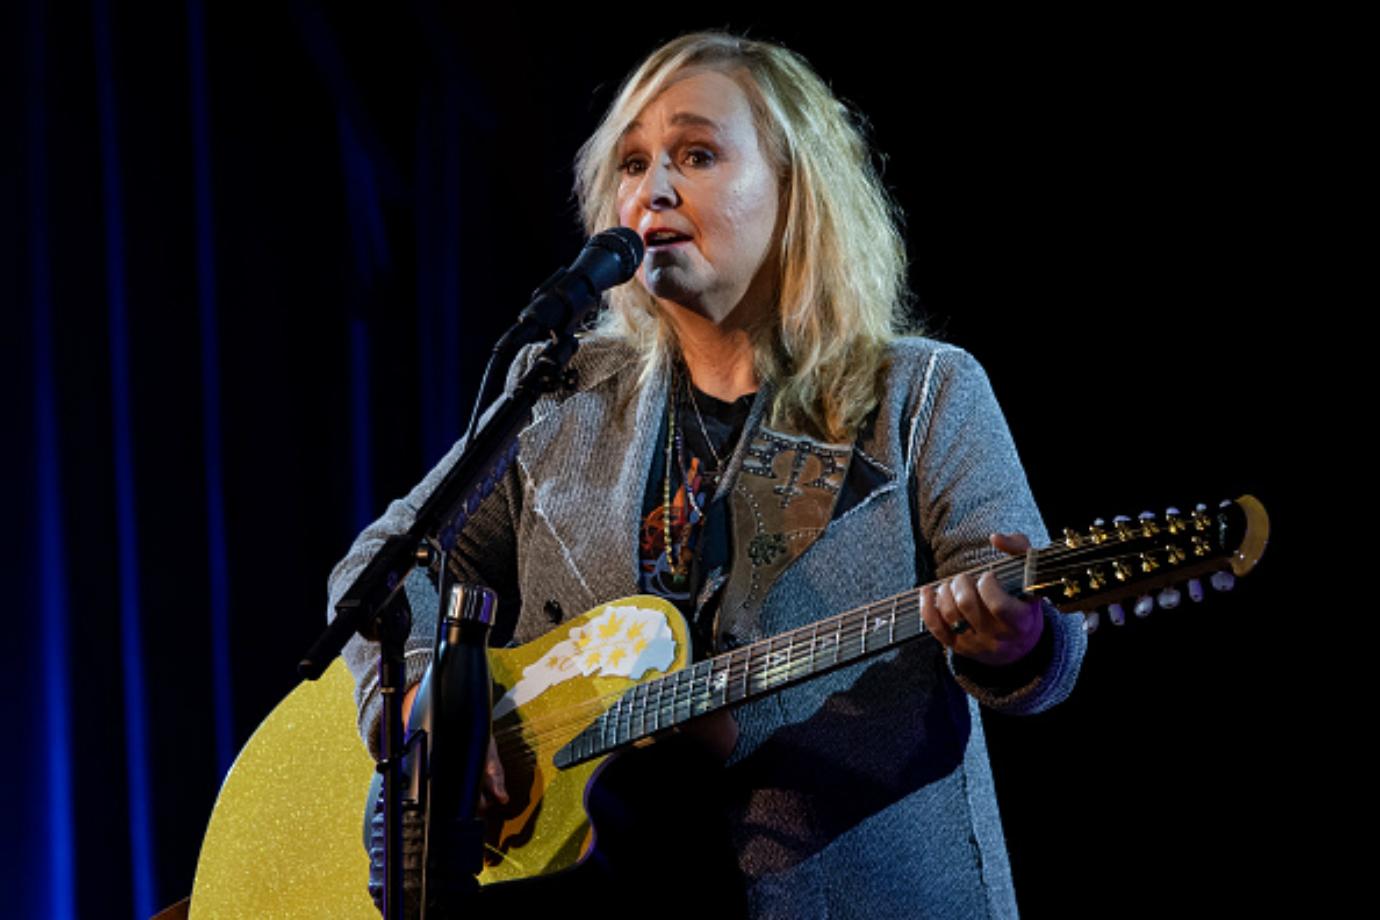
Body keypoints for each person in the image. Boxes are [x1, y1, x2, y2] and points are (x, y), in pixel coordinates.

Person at [328, 30, 1086, 919]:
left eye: (696, 154)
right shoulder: (564, 397)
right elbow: (385, 568)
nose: (651, 190)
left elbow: (1046, 636)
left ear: (796, 189)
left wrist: (1020, 640)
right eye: (634, 162)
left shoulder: (920, 393)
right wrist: (426, 697)